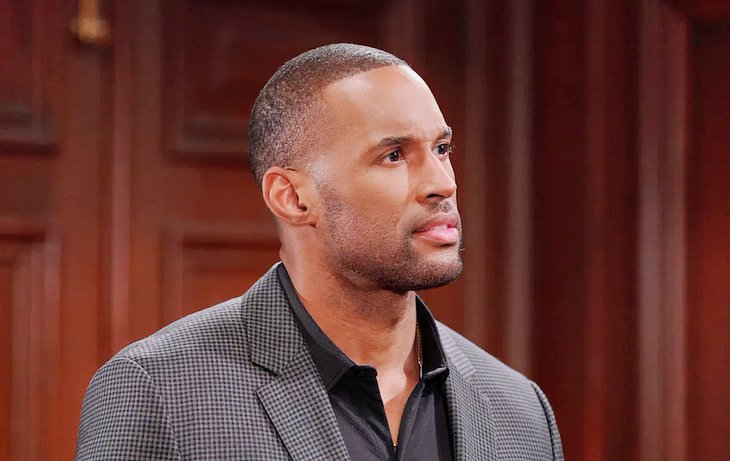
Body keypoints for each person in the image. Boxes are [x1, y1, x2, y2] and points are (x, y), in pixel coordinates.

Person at [76, 43, 563, 460]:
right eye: (393, 155)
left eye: (441, 149)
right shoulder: (157, 390)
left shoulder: (520, 411)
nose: (442, 183)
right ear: (292, 198)